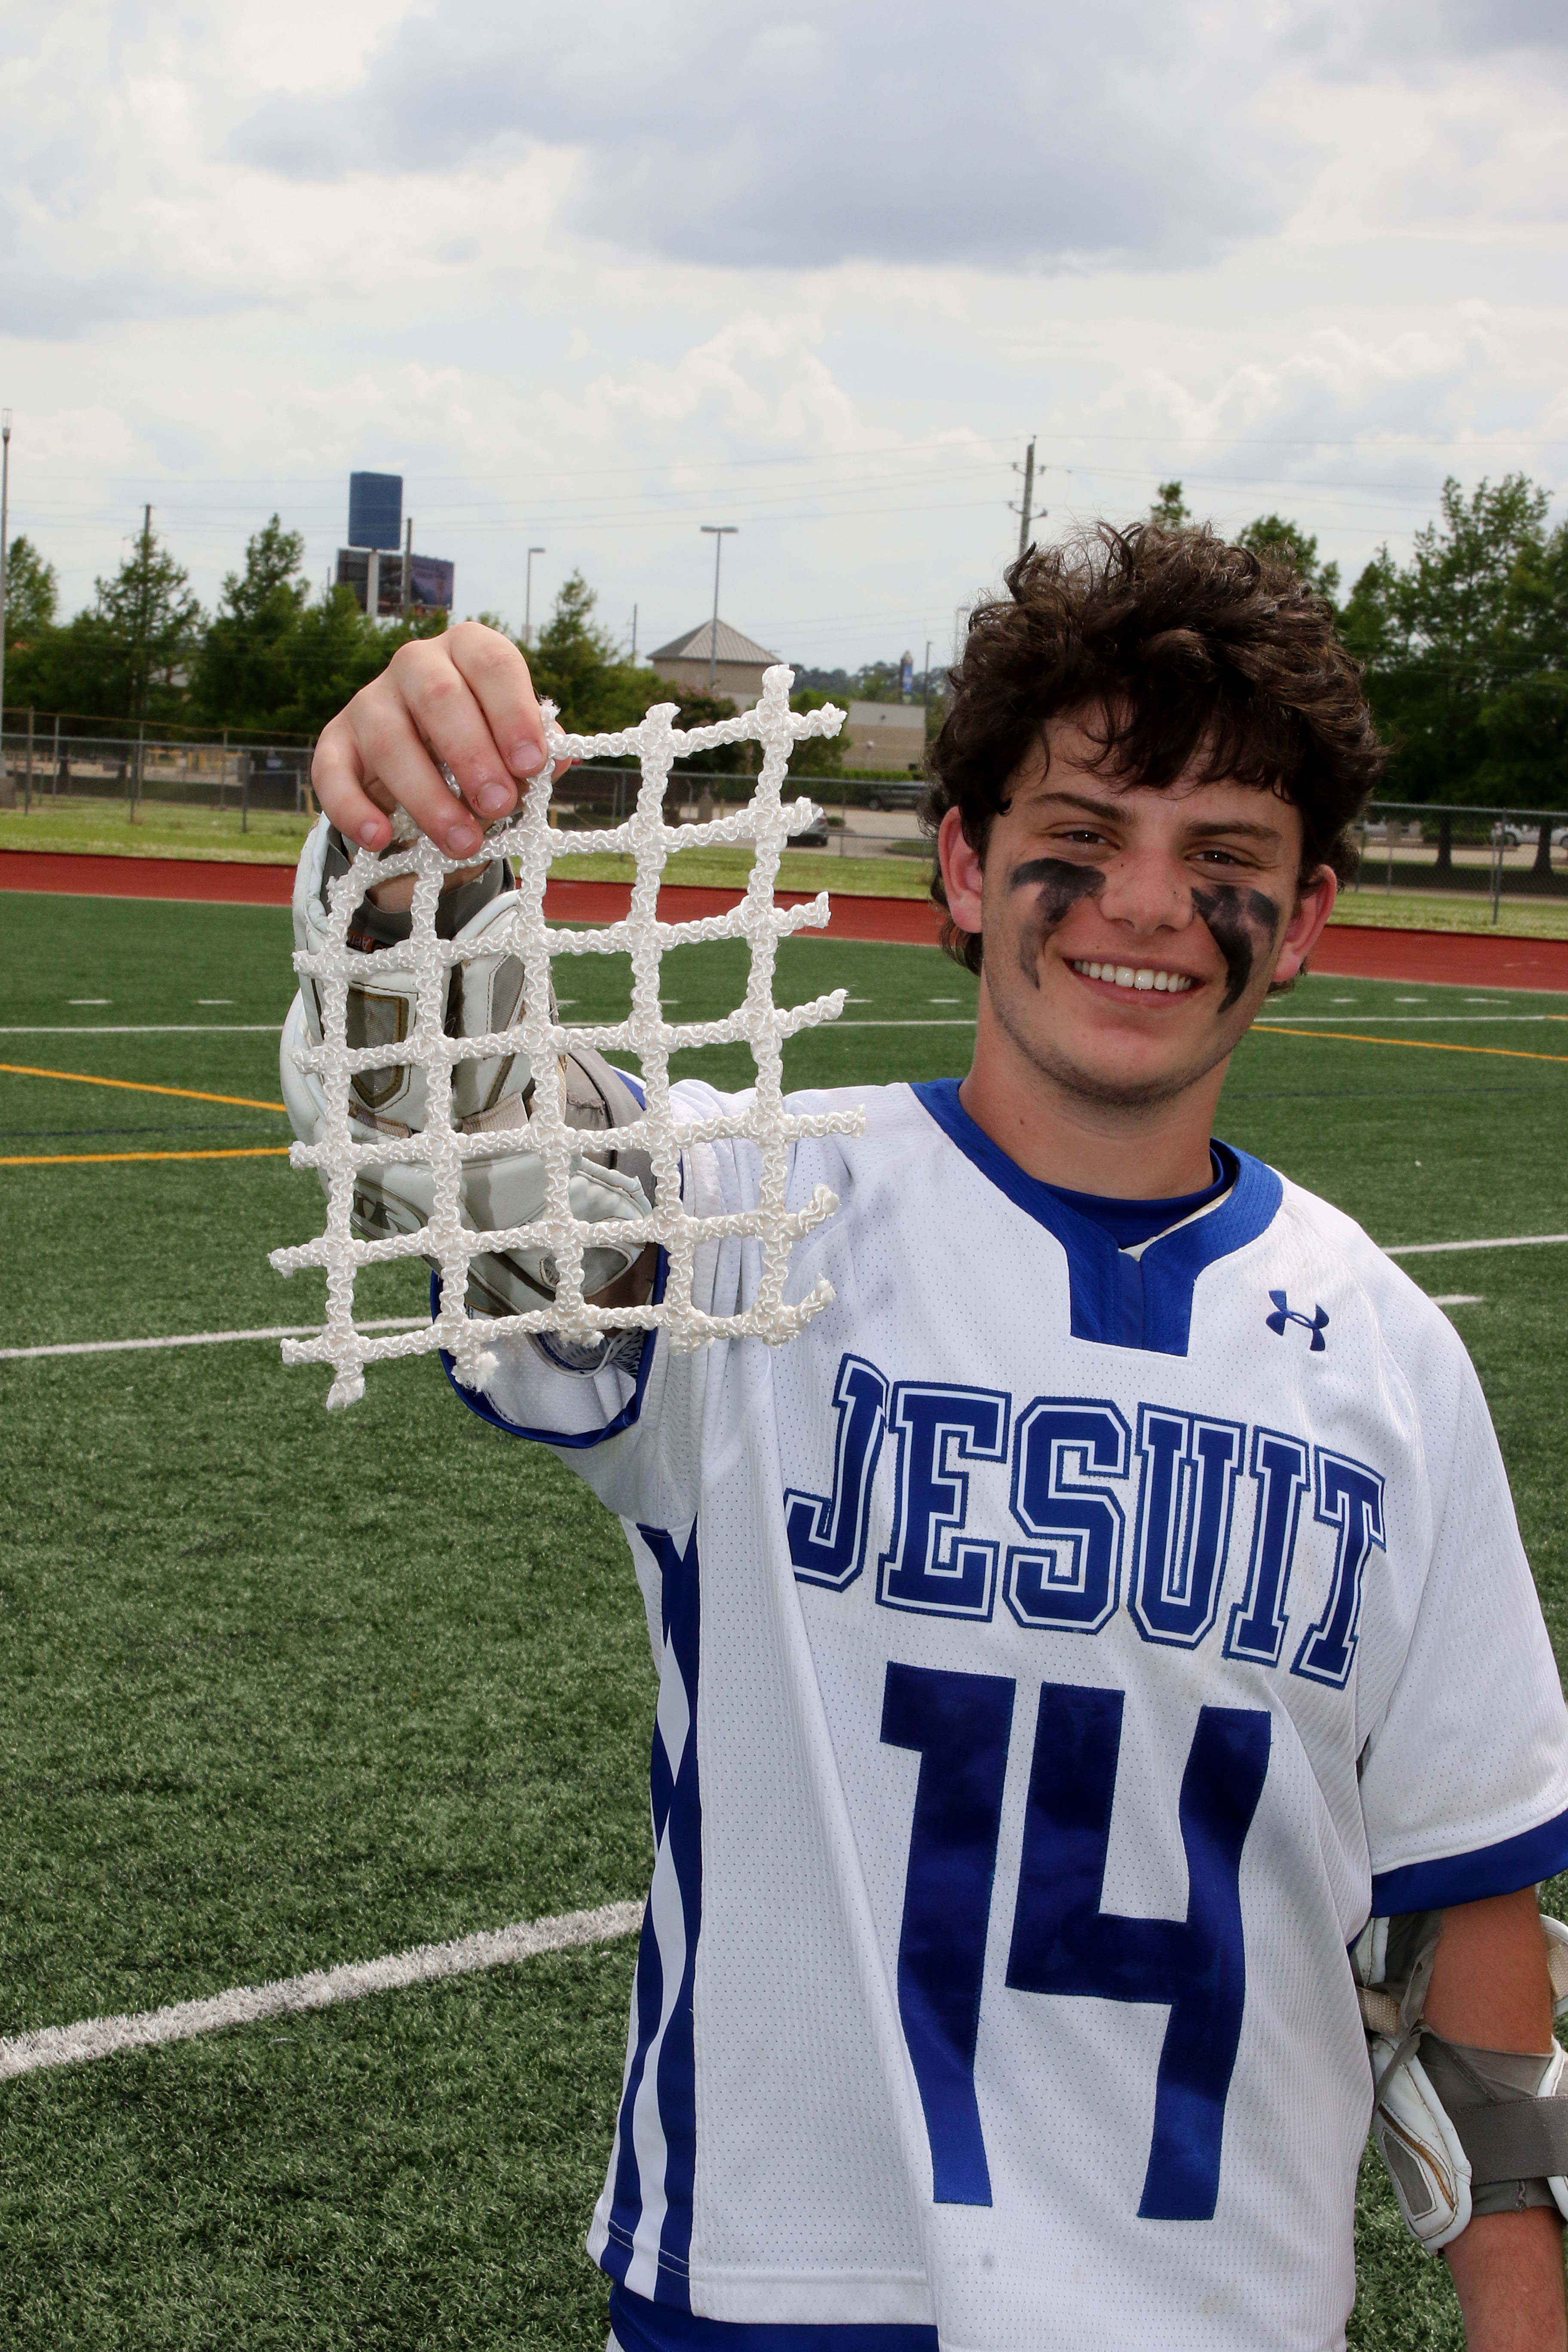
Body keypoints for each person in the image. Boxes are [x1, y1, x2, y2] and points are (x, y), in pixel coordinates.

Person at [299, 527, 1568, 2352]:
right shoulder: (754, 1222)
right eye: (1084, 835)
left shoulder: (1393, 1362)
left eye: (1222, 858)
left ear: (1303, 921)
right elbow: (472, 1145)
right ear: (965, 866)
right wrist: (411, 857)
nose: (1145, 903)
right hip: (777, 2302)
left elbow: (1471, 1952)